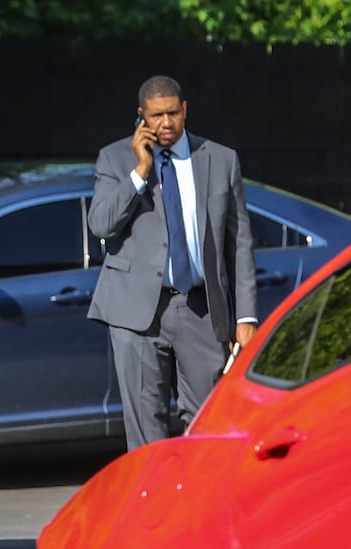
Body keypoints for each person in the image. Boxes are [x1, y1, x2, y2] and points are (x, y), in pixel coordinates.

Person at [87, 75, 258, 448]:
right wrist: (140, 172)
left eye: (172, 114)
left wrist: (245, 317)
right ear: (141, 117)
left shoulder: (220, 159)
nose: (166, 124)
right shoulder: (115, 158)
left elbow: (239, 241)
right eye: (156, 116)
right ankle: (153, 505)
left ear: (184, 110)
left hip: (199, 308)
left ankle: (202, 503)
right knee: (146, 430)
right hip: (136, 315)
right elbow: (101, 224)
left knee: (207, 423)